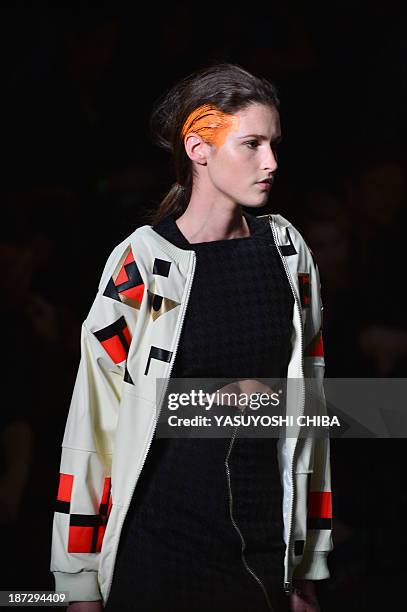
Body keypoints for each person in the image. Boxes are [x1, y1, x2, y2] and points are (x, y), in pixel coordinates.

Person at [50, 63, 332, 612]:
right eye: (250, 144)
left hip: (263, 547)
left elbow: (314, 408)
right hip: (161, 544)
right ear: (198, 148)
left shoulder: (288, 252)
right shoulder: (146, 263)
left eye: (273, 144)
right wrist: (77, 580)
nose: (270, 161)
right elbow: (95, 418)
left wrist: (306, 566)